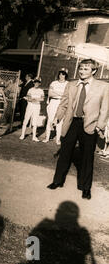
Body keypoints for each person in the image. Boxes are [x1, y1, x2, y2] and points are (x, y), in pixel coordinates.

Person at [47, 59, 109, 200]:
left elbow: (105, 109)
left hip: (90, 125)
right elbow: (63, 103)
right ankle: (57, 181)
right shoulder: (71, 84)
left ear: (93, 71)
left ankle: (85, 188)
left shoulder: (103, 87)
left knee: (87, 157)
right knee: (65, 153)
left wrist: (100, 126)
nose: (81, 71)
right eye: (81, 68)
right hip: (72, 123)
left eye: (86, 69)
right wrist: (57, 118)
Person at [43, 68, 69, 145]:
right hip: (53, 102)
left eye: (63, 74)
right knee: (50, 120)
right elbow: (50, 94)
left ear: (66, 75)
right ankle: (47, 137)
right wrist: (61, 94)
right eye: (60, 73)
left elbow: (67, 95)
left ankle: (58, 139)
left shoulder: (68, 84)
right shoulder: (53, 83)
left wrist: (56, 93)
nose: (61, 75)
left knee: (59, 121)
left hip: (62, 103)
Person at [19, 77, 44, 142]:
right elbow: (28, 97)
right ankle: (22, 135)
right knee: (26, 119)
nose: (36, 83)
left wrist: (35, 99)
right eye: (35, 82)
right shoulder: (30, 89)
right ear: (34, 83)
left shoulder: (41, 90)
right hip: (30, 105)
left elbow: (42, 99)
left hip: (37, 106)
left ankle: (34, 137)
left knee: (35, 121)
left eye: (38, 82)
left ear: (40, 83)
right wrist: (31, 99)